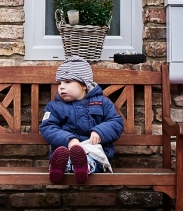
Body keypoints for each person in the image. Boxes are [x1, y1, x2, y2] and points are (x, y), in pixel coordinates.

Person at [40, 56, 124, 184]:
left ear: (84, 85)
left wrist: (100, 132)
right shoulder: (54, 106)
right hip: (67, 148)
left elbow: (116, 122)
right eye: (59, 83)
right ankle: (60, 168)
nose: (61, 87)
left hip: (94, 149)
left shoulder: (102, 102)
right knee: (65, 156)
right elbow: (48, 127)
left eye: (67, 82)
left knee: (92, 158)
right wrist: (69, 139)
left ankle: (84, 166)